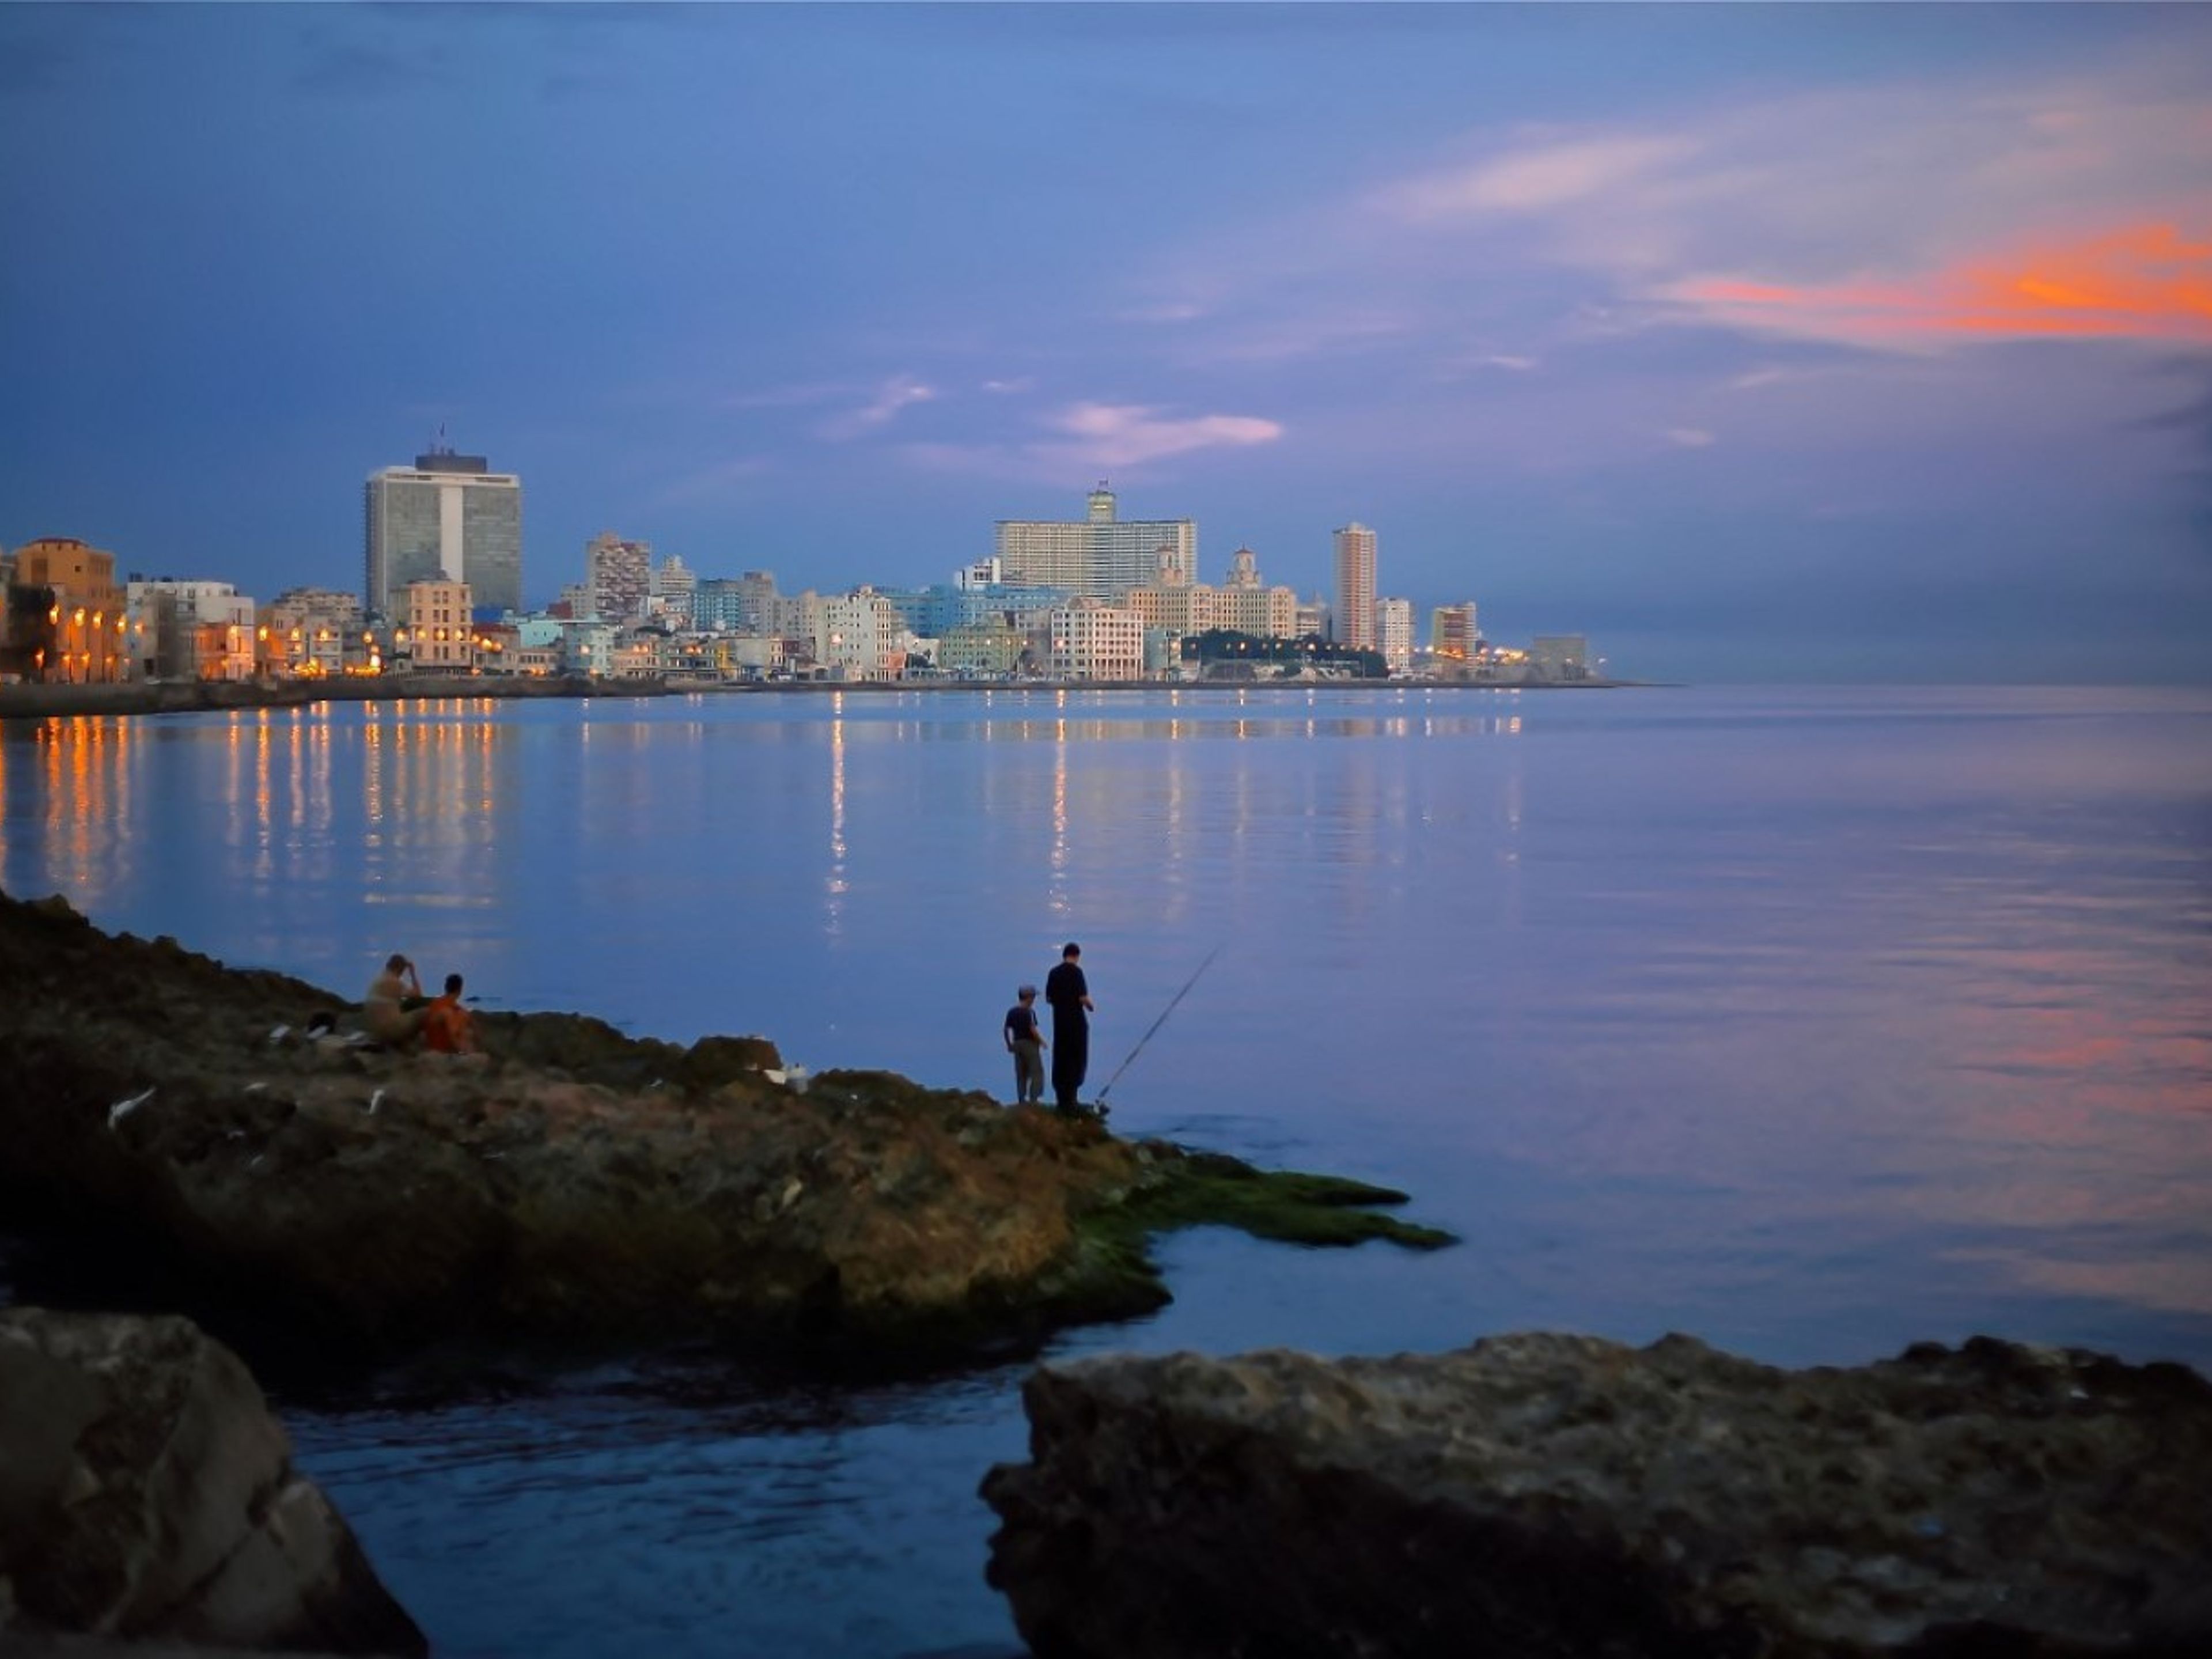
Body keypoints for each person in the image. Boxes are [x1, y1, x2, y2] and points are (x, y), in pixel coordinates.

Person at [1044, 942, 1094, 1112]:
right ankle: (1072, 1100)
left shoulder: (1054, 973)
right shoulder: (1077, 972)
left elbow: (1049, 998)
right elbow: (1083, 998)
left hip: (1059, 1024)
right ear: (1077, 956)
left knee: (1061, 1058)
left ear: (1064, 955)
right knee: (1076, 1058)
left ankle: (1062, 1101)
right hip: (1076, 1023)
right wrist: (1091, 1006)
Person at [363, 953, 427, 1048]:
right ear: (400, 969)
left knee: (402, 1011)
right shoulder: (394, 982)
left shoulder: (377, 981)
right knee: (425, 1012)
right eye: (403, 970)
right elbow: (418, 995)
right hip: (390, 1031)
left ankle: (404, 1045)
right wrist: (412, 973)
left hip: (376, 1032)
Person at [1002, 984, 1047, 1105]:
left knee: (1021, 1073)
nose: (1034, 1000)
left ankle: (1022, 1100)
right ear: (1028, 997)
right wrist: (1041, 1042)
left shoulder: (1012, 1012)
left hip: (1017, 1043)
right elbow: (1032, 1029)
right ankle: (1034, 1100)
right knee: (1037, 1072)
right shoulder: (1029, 1012)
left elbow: (1006, 1029)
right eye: (1033, 997)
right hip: (1030, 1044)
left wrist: (1009, 1044)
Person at [422, 972, 477, 1056]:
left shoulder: (435, 1004)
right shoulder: (457, 1011)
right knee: (467, 1031)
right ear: (460, 990)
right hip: (445, 1050)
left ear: (446, 988)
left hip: (432, 1046)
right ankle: (467, 1054)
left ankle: (467, 1054)